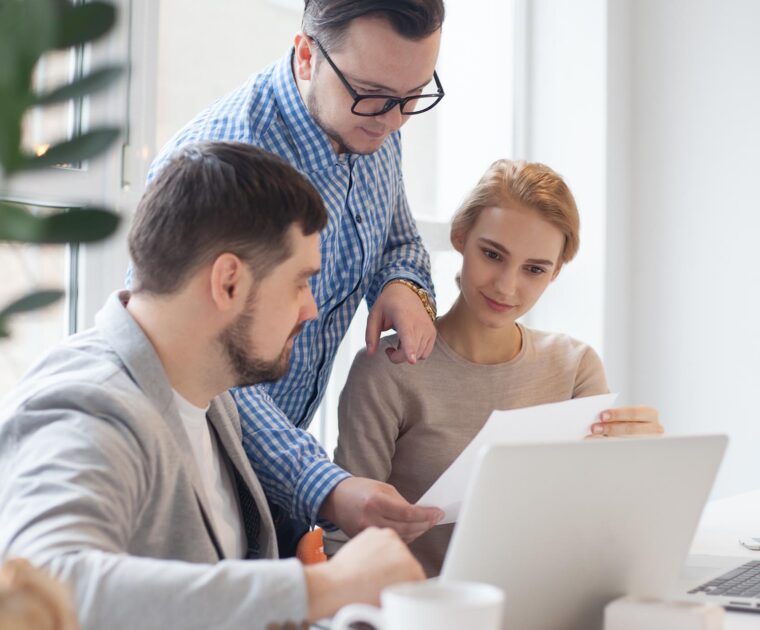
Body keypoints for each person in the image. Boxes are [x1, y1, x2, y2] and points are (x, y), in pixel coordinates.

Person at [0, 143, 424, 629]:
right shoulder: (87, 406)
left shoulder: (208, 391)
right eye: (300, 282)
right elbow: (47, 583)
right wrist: (321, 588)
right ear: (228, 282)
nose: (310, 309)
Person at [139, 0, 447, 546]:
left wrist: (404, 285)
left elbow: (397, 239)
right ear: (307, 55)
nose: (395, 120)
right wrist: (325, 486)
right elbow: (208, 365)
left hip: (286, 485)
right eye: (374, 96)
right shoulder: (223, 161)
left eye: (413, 97)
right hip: (195, 487)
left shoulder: (377, 117)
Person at [329, 159, 664, 577]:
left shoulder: (575, 367)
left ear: (555, 271)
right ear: (460, 236)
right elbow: (346, 537)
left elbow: (602, 526)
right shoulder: (391, 369)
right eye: (492, 254)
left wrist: (639, 468)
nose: (507, 286)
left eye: (534, 269)